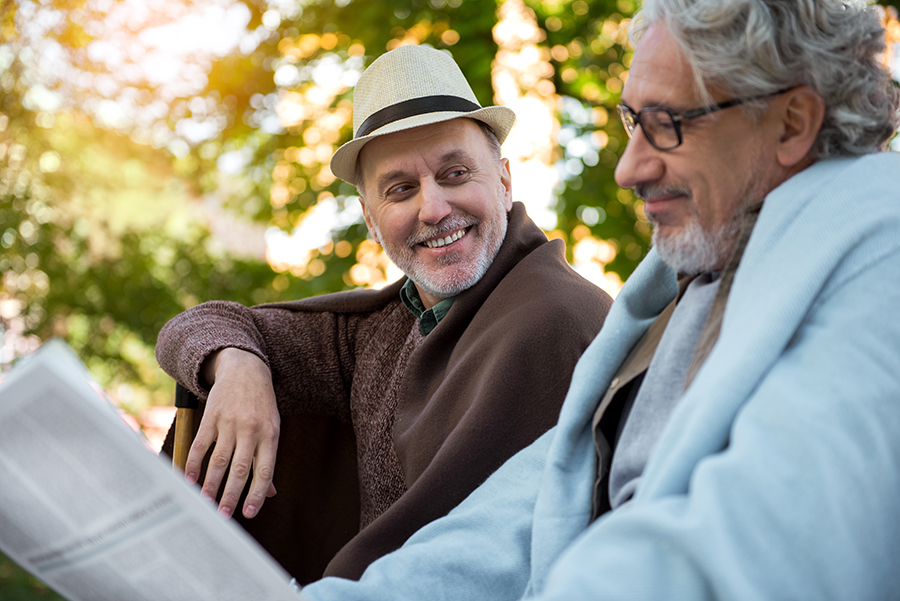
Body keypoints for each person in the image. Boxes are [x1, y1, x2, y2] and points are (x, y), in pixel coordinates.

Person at [298, 1, 900, 599]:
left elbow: (750, 547)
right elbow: (530, 505)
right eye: (632, 123)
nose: (629, 168)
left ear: (791, 124)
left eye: (667, 124)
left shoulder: (880, 269)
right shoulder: (705, 276)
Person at [155, 45, 613, 583]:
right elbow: (193, 328)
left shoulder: (558, 320)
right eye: (401, 189)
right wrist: (237, 366)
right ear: (371, 219)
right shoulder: (383, 328)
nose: (434, 208)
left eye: (456, 172)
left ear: (505, 180)